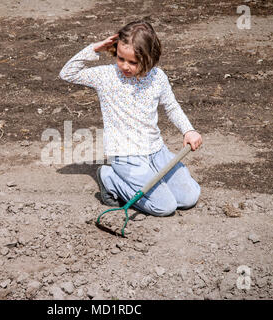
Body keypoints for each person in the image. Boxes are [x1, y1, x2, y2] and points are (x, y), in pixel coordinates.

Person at [59, 21, 202, 217]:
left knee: (188, 198)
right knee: (164, 206)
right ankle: (109, 178)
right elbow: (67, 73)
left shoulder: (158, 77)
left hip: (156, 151)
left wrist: (189, 130)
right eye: (120, 58)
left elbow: (171, 106)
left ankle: (154, 181)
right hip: (125, 155)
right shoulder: (106, 76)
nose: (125, 66)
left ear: (150, 58)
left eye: (133, 62)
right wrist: (95, 48)